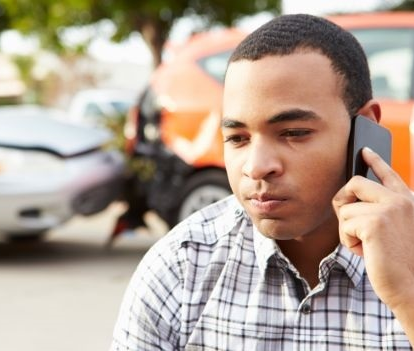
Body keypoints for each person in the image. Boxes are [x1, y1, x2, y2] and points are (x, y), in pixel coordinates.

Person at [111, 13, 414, 350]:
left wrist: (407, 297)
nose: (256, 167)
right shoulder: (180, 269)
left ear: (365, 127)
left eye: (294, 133)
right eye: (238, 138)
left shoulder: (408, 258)